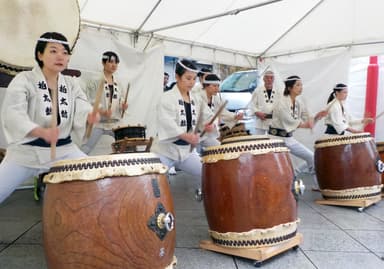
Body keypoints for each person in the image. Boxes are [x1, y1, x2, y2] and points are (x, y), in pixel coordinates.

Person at [0, 32, 99, 204]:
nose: (60, 56)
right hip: (26, 153)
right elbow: (13, 112)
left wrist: (88, 114)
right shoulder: (24, 80)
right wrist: (39, 131)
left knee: (95, 180)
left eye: (65, 52)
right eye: (53, 51)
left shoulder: (71, 83)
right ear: (40, 54)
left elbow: (81, 103)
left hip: (63, 150)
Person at [151, 59, 215, 190]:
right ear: (177, 76)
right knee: (154, 183)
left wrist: (210, 125)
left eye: (194, 79)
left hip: (186, 152)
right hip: (165, 150)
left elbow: (208, 116)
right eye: (188, 78)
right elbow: (167, 122)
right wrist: (185, 136)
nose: (192, 82)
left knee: (207, 174)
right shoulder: (166, 98)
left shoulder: (196, 98)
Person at [268, 75, 327, 190]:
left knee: (311, 157)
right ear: (289, 88)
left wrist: (316, 117)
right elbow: (291, 121)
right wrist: (307, 124)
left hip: (288, 139)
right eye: (298, 85)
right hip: (274, 139)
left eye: (301, 85)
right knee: (279, 166)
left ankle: (318, 185)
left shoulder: (299, 102)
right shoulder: (281, 103)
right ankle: (283, 186)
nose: (301, 87)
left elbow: (307, 118)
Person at [81, 51, 128, 154]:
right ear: (103, 63)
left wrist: (123, 106)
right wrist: (102, 111)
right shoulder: (94, 80)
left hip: (115, 123)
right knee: (86, 147)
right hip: (98, 123)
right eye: (111, 62)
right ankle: (77, 165)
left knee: (125, 147)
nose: (114, 65)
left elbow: (121, 99)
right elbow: (89, 99)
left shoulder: (119, 82)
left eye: (116, 62)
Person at [193, 73, 243, 148]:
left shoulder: (215, 98)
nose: (217, 89)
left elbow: (223, 112)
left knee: (219, 149)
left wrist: (235, 116)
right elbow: (196, 116)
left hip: (207, 134)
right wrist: (207, 124)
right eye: (214, 86)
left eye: (218, 86)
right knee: (196, 156)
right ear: (206, 86)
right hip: (194, 133)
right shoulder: (196, 98)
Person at [248, 70, 282, 135]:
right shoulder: (257, 90)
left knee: (273, 141)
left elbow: (281, 105)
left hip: (274, 122)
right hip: (260, 121)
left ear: (273, 79)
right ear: (263, 79)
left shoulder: (279, 91)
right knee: (259, 142)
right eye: (267, 77)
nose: (269, 80)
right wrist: (257, 112)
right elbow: (252, 104)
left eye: (271, 78)